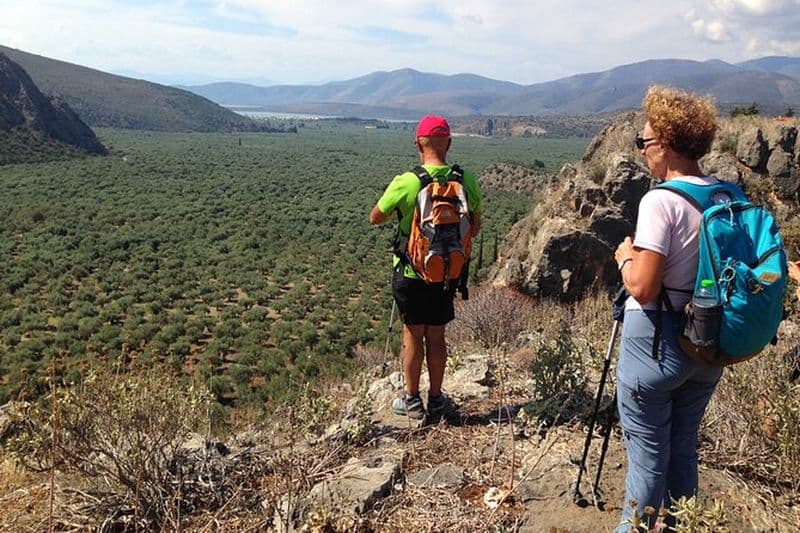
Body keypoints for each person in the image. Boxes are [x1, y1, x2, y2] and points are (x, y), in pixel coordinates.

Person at [613, 86, 731, 530]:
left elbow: (643, 287)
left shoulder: (660, 201)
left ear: (664, 144)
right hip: (708, 344)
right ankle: (684, 524)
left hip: (655, 347)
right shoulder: (724, 195)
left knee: (646, 459)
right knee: (683, 448)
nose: (642, 152)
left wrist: (626, 257)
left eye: (643, 143)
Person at [369, 115, 482, 420]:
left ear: (417, 143)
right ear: (449, 143)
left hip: (410, 272)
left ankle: (410, 400)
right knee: (436, 335)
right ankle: (436, 399)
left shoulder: (407, 181)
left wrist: (406, 216)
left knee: (412, 334)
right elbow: (475, 226)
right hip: (446, 273)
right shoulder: (464, 179)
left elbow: (375, 217)